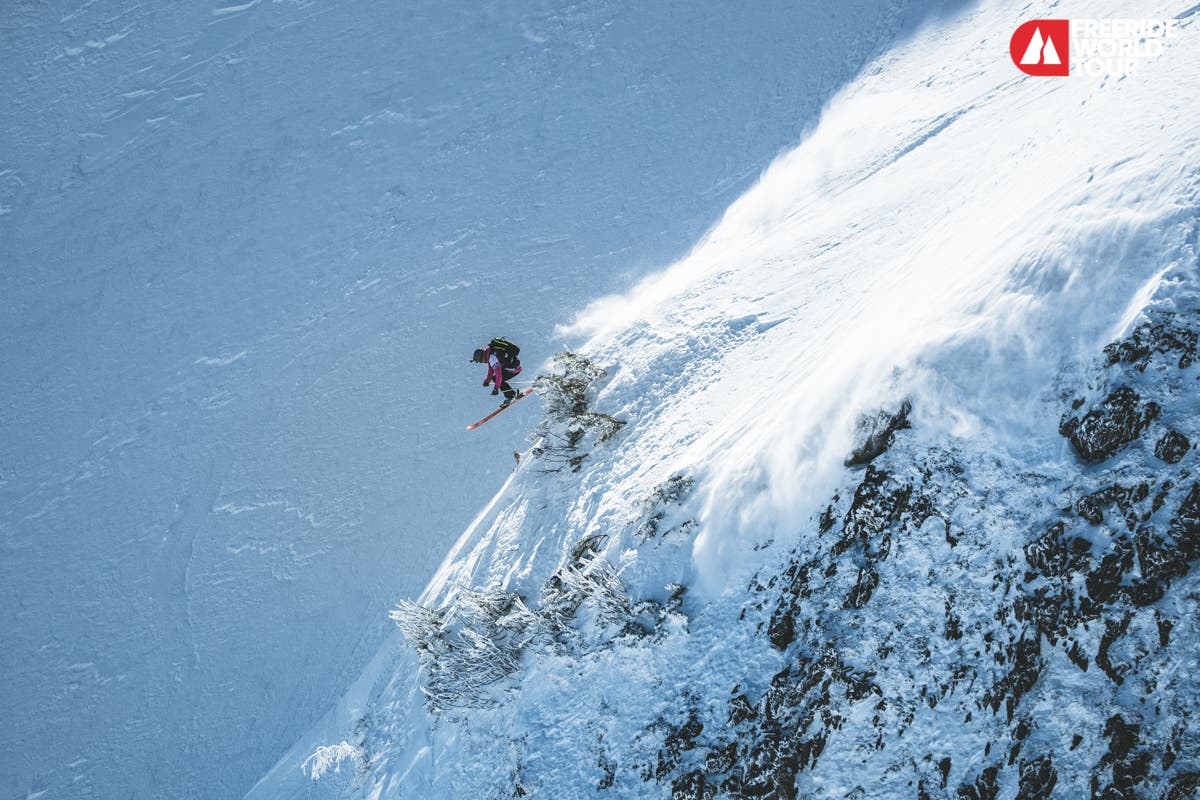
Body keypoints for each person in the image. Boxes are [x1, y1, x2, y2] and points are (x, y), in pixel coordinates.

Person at [472, 337, 522, 407]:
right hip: (514, 365)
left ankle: (510, 396)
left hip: (513, 369)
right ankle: (511, 394)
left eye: (480, 361)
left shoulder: (492, 358)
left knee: (496, 379)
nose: (482, 362)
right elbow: (491, 369)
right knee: (495, 378)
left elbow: (499, 375)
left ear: (482, 357)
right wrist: (487, 381)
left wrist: (496, 388)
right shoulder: (489, 351)